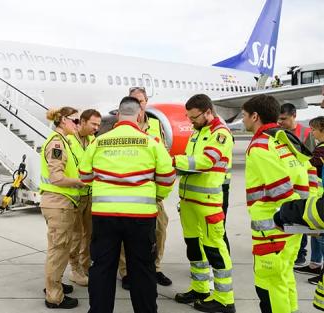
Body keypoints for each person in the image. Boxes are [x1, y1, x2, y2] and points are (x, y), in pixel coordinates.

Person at [80, 96, 175, 313]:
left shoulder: (99, 141)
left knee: (102, 268)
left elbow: (84, 176)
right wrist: (156, 197)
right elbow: (168, 177)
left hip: (104, 217)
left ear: (118, 115)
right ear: (140, 115)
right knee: (142, 269)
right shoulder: (152, 142)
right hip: (141, 218)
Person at [242, 94, 310, 313]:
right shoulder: (284, 139)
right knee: (284, 278)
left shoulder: (261, 146)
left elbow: (280, 188)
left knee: (269, 285)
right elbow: (309, 174)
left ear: (255, 116)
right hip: (293, 225)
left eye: (244, 116)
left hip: (273, 228)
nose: (242, 120)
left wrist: (283, 218)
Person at [173, 94, 235, 313]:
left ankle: (224, 299)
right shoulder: (197, 133)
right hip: (189, 201)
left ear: (208, 112)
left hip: (208, 203)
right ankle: (200, 289)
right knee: (194, 246)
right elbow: (190, 163)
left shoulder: (220, 134)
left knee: (215, 248)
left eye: (194, 117)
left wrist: (172, 161)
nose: (191, 121)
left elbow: (206, 161)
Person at [119, 87, 172, 289]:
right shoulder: (120, 124)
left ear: (146, 102)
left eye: (141, 101)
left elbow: (164, 153)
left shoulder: (156, 124)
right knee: (126, 235)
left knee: (160, 228)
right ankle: (126, 272)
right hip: (129, 189)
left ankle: (155, 268)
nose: (139, 105)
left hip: (152, 189)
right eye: (134, 100)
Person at [39, 106, 85, 309]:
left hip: (60, 203)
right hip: (59, 204)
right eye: (75, 121)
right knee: (59, 251)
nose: (78, 124)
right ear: (63, 121)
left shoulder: (64, 141)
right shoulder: (57, 143)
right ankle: (54, 296)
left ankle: (53, 285)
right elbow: (56, 177)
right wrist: (79, 182)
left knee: (58, 249)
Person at [279, 102, 318, 266]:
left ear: (294, 115)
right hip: (286, 182)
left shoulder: (306, 133)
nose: (281, 122)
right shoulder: (279, 133)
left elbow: (311, 161)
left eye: (284, 119)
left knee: (299, 218)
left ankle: (300, 254)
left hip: (301, 183)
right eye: (279, 119)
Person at [66, 109, 101, 287]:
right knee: (76, 235)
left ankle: (85, 266)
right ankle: (75, 269)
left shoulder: (93, 140)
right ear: (83, 122)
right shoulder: (69, 140)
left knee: (90, 235)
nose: (96, 128)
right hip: (75, 196)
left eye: (98, 125)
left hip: (90, 194)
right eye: (93, 124)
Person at [294, 116, 324, 283]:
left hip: (320, 197)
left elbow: (309, 162)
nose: (311, 133)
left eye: (314, 130)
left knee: (320, 236)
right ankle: (315, 265)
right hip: (318, 195)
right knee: (317, 234)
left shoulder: (321, 150)